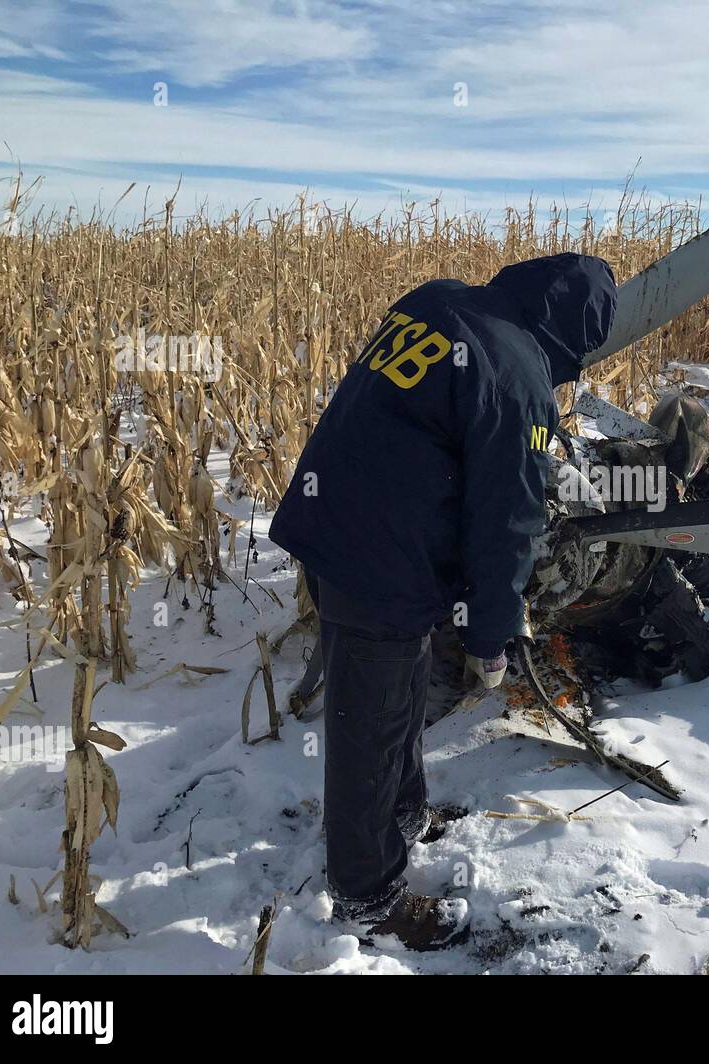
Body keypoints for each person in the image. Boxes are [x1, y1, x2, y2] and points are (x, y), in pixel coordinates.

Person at [269, 253, 616, 949]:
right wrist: (491, 638)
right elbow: (506, 524)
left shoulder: (438, 299)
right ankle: (368, 896)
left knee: (395, 696)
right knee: (368, 729)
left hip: (336, 525)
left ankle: (403, 817)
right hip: (380, 561)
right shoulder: (520, 380)